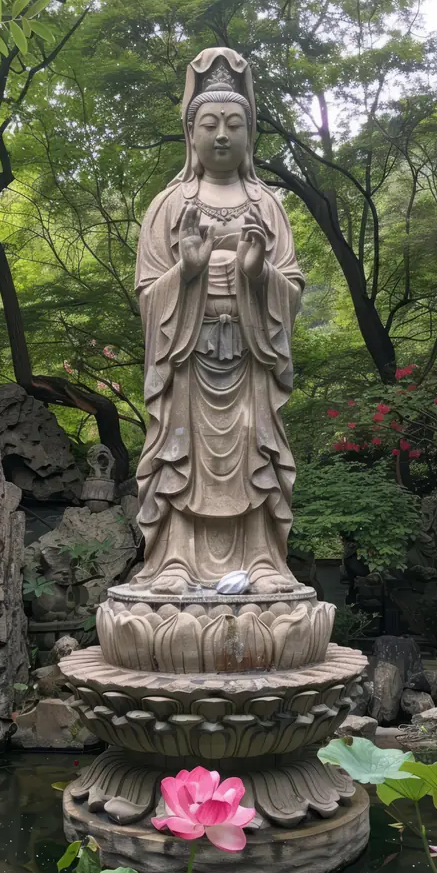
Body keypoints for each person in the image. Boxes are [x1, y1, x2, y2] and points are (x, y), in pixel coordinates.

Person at [133, 47, 305, 595]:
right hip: (188, 356)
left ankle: (262, 563)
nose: (223, 135)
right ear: (191, 133)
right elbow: (147, 294)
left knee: (256, 450)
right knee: (180, 453)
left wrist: (259, 275)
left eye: (235, 123)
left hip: (251, 358)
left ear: (250, 133)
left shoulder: (267, 205)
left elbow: (292, 288)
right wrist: (186, 271)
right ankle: (174, 562)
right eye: (210, 124)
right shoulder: (168, 205)